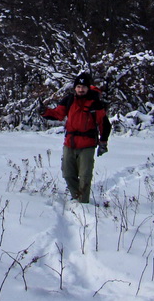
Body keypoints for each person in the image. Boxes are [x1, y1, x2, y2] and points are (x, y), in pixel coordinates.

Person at [40, 72, 111, 203]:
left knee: (85, 176)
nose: (81, 89)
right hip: (70, 143)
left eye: (83, 87)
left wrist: (103, 142)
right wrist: (45, 112)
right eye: (78, 86)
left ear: (88, 88)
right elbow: (58, 114)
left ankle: (83, 203)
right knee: (67, 173)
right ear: (75, 88)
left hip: (87, 144)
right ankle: (77, 197)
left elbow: (104, 124)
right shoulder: (69, 100)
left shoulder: (95, 103)